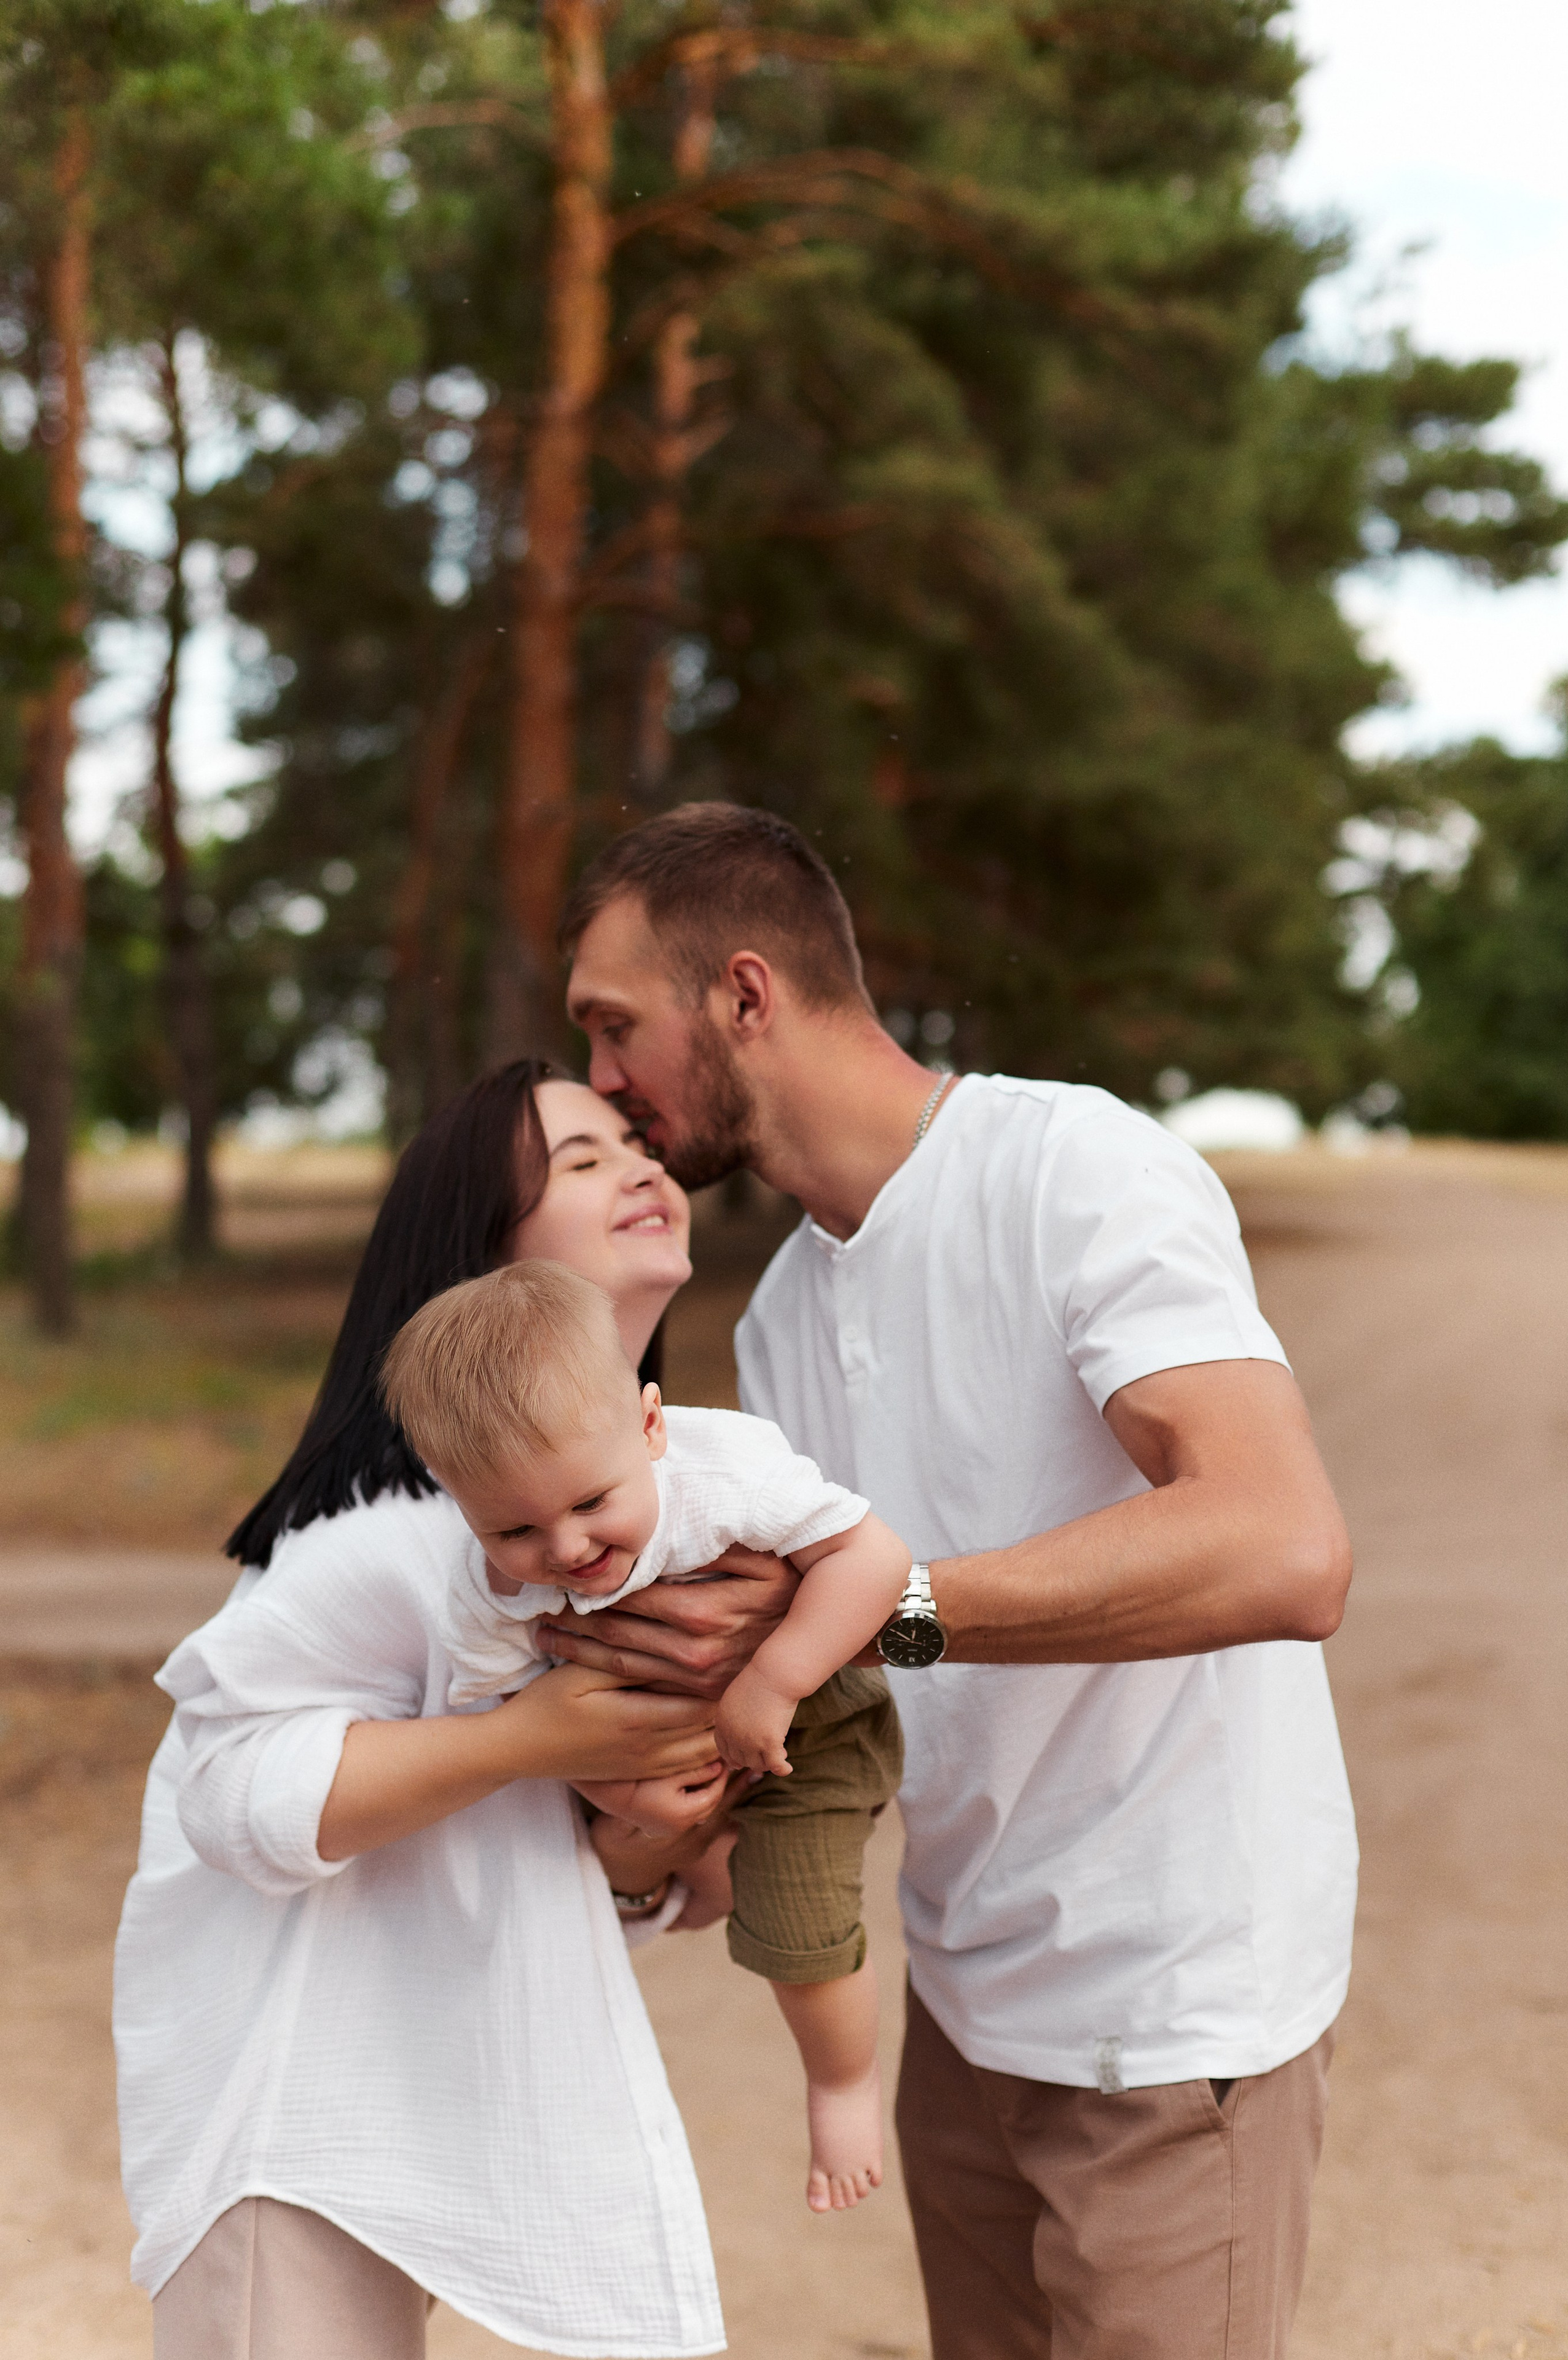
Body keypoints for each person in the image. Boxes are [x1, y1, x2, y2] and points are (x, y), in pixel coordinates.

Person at [545, 801, 1360, 2360]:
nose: (599, 1083)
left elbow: (1281, 1543)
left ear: (741, 994)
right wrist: (651, 1829)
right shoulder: (784, 1309)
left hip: (1172, 2006)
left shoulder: (1075, 1168)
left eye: (610, 1026)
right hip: (965, 2007)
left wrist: (884, 1613)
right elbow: (808, 1703)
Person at [113, 1061, 789, 2359]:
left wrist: (656, 1836)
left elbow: (544, 1868)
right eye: (577, 1162)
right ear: (482, 1260)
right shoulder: (389, 1528)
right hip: (293, 2122)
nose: (639, 1167)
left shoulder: (624, 1527)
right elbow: (228, 1797)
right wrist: (536, 1739)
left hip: (431, 2105)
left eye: (632, 1143)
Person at [380, 1256, 910, 2210]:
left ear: (652, 1425)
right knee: (664, 1871)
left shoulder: (727, 1477)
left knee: (797, 1918)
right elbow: (512, 1718)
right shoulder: (486, 1586)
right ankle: (682, 1874)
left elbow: (873, 1559)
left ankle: (842, 2085)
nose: (566, 1551)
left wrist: (778, 1679)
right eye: (514, 1531)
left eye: (591, 1503)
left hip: (814, 1722)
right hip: (653, 1756)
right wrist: (609, 1791)